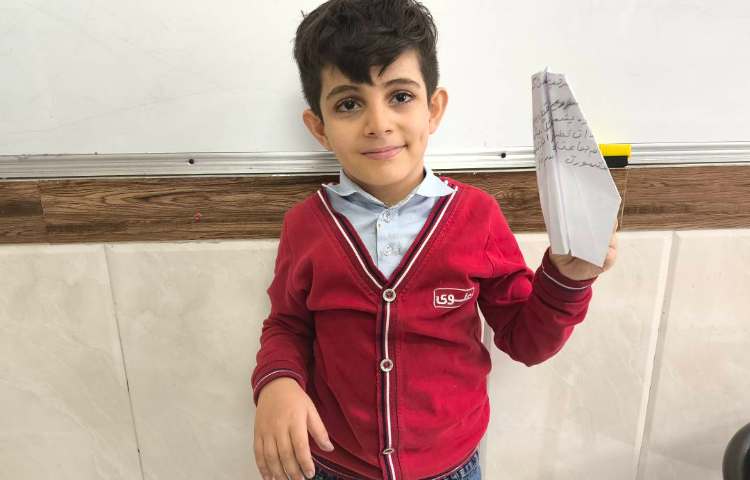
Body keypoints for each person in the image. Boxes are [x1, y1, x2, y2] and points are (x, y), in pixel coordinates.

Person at [250, 1, 619, 479]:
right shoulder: (305, 225)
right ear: (319, 127)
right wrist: (277, 382)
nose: (379, 123)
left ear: (434, 109)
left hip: (451, 468)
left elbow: (526, 340)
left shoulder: (477, 218)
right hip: (333, 466)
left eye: (400, 96)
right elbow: (287, 324)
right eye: (349, 104)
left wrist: (567, 280)